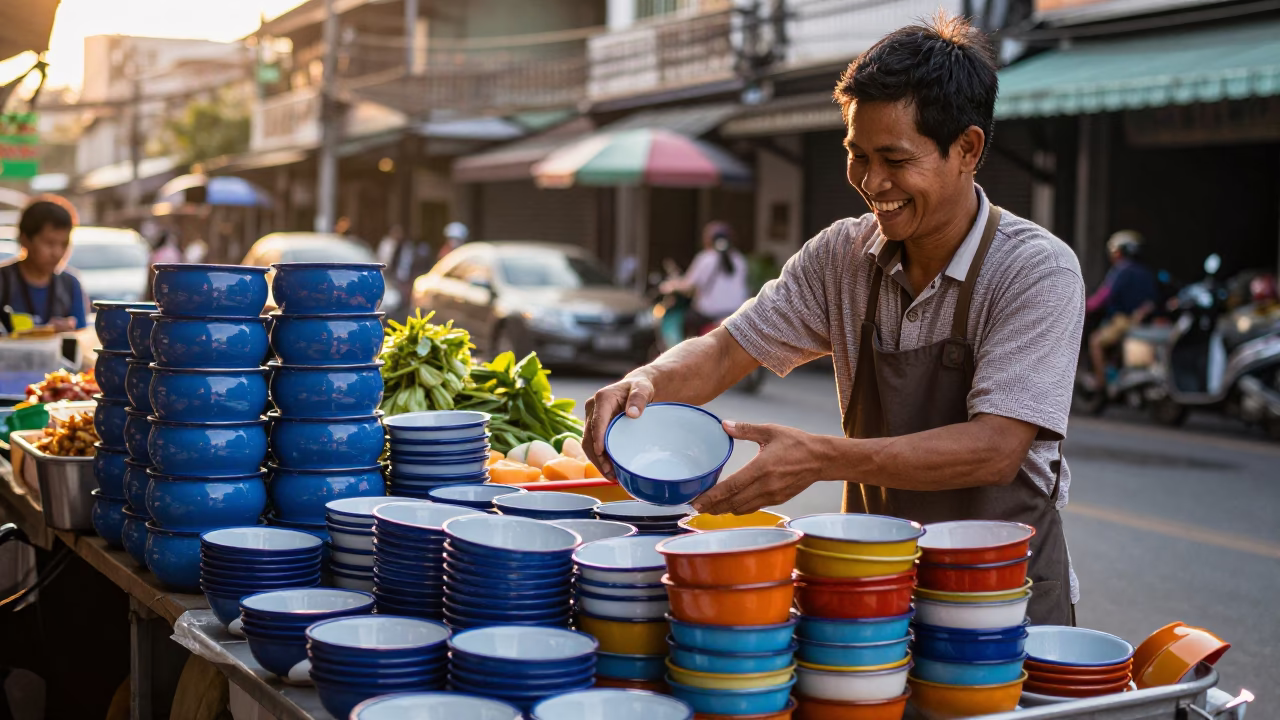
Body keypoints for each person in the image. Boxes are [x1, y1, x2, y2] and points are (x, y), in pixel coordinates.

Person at [583, 14, 1085, 625]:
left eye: (895, 159)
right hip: (871, 586)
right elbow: (727, 349)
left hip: (1004, 601)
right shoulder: (842, 256)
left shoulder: (1037, 271)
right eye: (857, 155)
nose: (872, 183)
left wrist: (819, 457)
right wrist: (648, 383)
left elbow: (994, 450)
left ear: (968, 150)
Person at [0, 196, 89, 331]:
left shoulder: (70, 285)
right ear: (25, 240)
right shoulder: (3, 281)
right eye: (49, 243)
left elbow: (81, 335)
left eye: (64, 244)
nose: (58, 252)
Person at [1085, 231, 1159, 391]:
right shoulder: (1146, 273)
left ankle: (1101, 382)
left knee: (1095, 342)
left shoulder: (1121, 270)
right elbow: (1152, 301)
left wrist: (1085, 306)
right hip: (1143, 324)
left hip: (1123, 321)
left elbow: (1104, 296)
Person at [660, 221, 750, 337]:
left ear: (709, 240)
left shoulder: (705, 258)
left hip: (709, 314)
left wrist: (670, 286)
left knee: (684, 324)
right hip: (735, 313)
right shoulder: (739, 259)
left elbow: (688, 285)